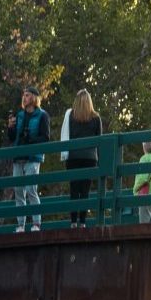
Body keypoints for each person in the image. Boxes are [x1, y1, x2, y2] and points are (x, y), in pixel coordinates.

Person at [7, 84, 52, 233]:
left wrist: (31, 140)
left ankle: (36, 223)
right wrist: (11, 127)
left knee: (31, 189)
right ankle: (20, 225)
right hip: (18, 156)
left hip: (33, 156)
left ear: (33, 97)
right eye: (23, 95)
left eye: (27, 95)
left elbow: (46, 137)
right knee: (18, 191)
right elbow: (12, 138)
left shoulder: (42, 115)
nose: (24, 98)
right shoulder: (19, 115)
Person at [61, 88, 103, 228]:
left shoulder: (71, 116)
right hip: (90, 158)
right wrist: (100, 162)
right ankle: (83, 222)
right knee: (85, 191)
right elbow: (100, 141)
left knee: (74, 189)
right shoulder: (96, 118)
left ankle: (73, 222)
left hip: (73, 157)